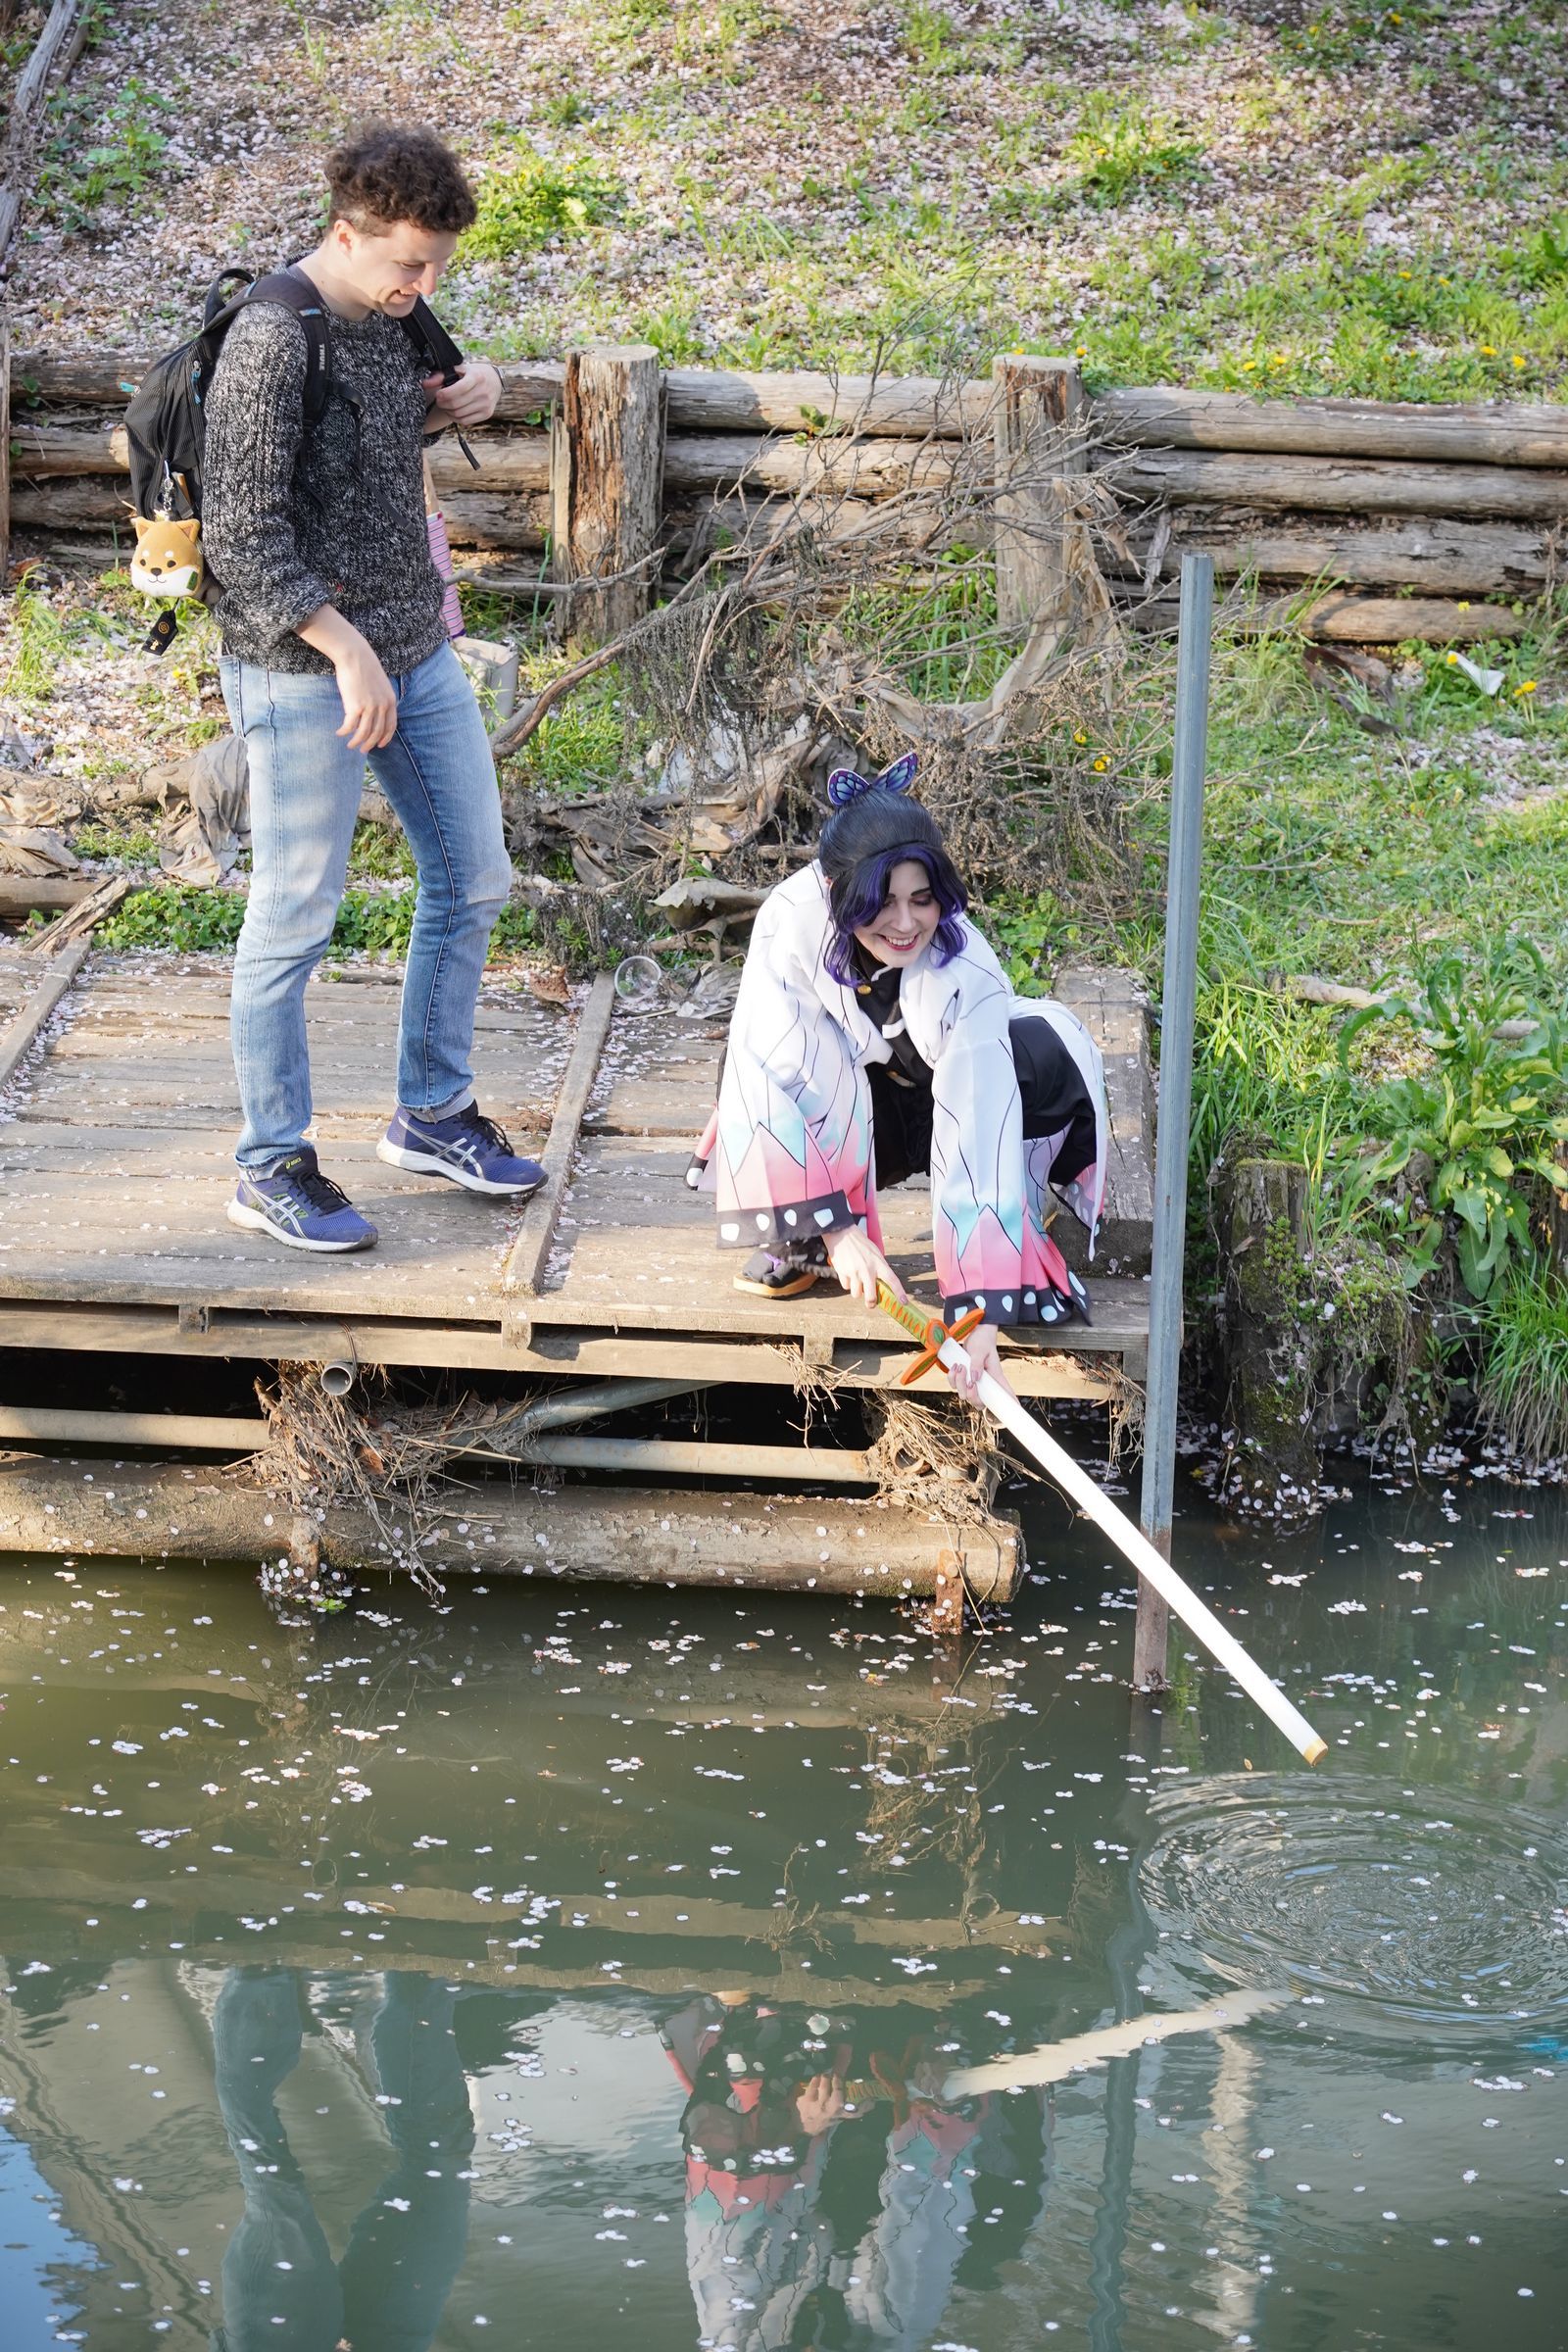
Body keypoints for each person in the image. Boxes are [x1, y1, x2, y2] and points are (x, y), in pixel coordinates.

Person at [202, 122, 543, 1254]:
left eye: (439, 264)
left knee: (472, 873)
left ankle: (431, 1112)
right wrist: (343, 647)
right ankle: (269, 1164)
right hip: (301, 664)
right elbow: (241, 540)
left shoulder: (400, 320)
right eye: (407, 263)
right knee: (294, 914)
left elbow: (384, 451)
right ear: (344, 236)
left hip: (415, 643)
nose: (424, 284)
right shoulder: (269, 340)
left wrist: (470, 395)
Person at [689, 754, 1107, 1399]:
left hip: (929, 1094)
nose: (906, 923)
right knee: (750, 1065)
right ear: (836, 892)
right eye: (880, 903)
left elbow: (979, 1130)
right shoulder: (791, 923)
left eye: (922, 900)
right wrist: (838, 1231)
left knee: (1028, 1069)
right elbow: (769, 1071)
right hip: (849, 1092)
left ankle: (1008, 1255)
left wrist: (981, 1315)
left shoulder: (969, 973)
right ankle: (802, 1233)